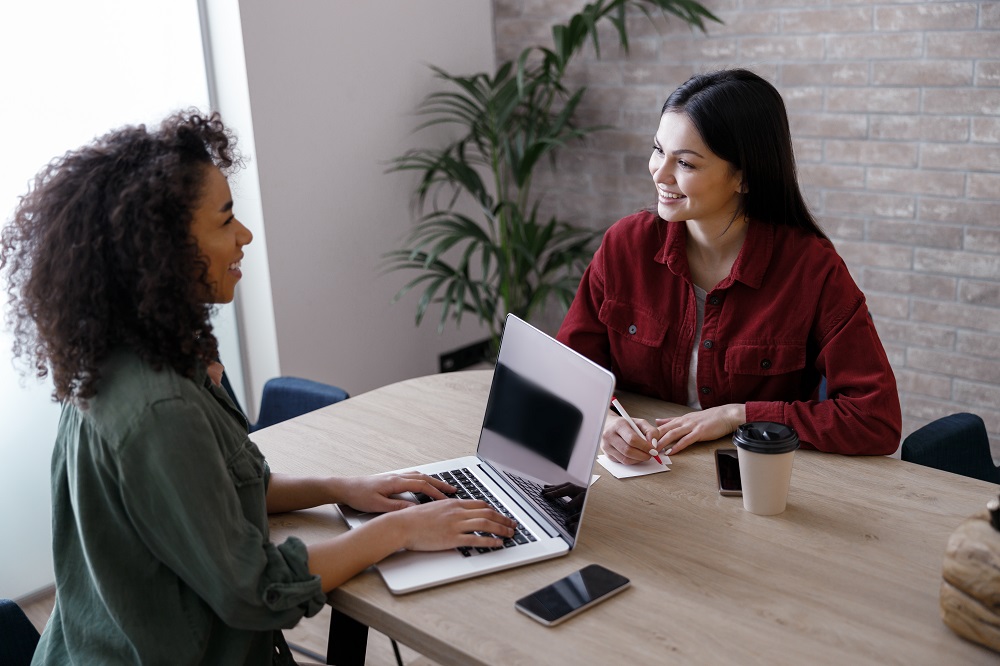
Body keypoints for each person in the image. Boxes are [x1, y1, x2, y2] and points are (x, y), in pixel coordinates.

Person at [0, 110, 515, 665]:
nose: (244, 235)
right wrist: (399, 530)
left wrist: (346, 486)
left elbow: (216, 493)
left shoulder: (130, 355)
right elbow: (255, 590)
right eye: (225, 221)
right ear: (161, 252)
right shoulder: (159, 409)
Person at [556, 69, 901, 464]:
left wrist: (739, 416)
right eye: (658, 150)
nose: (659, 173)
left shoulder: (811, 269)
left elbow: (876, 419)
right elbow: (568, 371)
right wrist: (603, 422)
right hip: (645, 474)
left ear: (745, 177)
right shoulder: (625, 244)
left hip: (757, 484)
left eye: (685, 163)